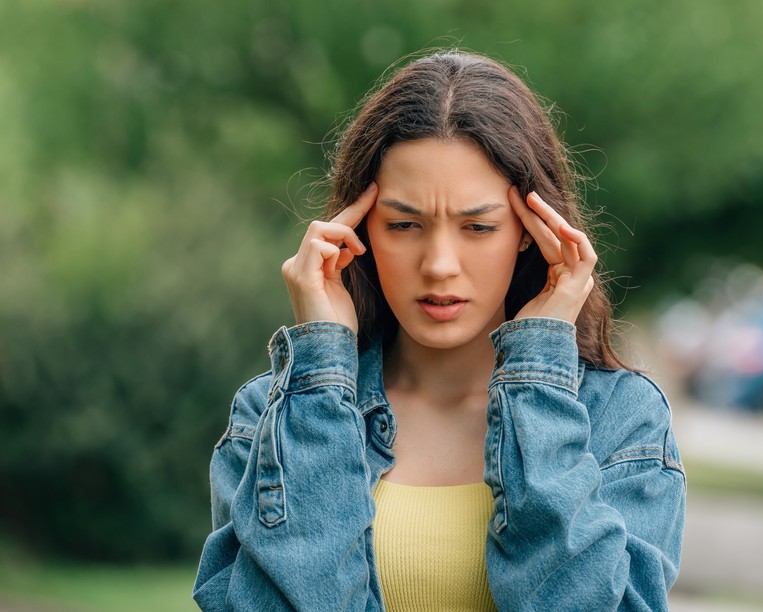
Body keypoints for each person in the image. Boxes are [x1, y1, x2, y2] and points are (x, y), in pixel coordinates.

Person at [193, 50, 686, 611]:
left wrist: (535, 382)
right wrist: (321, 376)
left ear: (532, 231)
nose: (440, 264)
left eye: (478, 227)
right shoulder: (275, 416)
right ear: (355, 231)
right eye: (404, 225)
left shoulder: (620, 418)